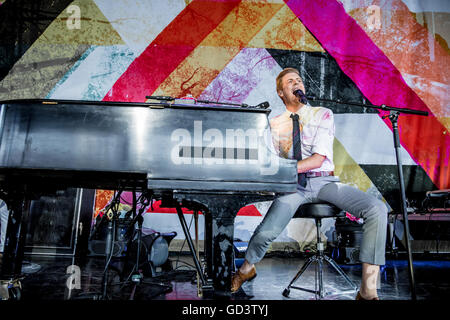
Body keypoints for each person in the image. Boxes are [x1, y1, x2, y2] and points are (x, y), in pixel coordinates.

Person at [231, 68, 388, 300]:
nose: (297, 83)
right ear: (280, 93)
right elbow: (271, 159)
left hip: (324, 181)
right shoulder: (273, 123)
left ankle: (368, 289)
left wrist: (283, 169)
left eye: (299, 80)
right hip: (294, 186)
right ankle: (246, 269)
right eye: (290, 81)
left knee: (377, 209)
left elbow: (318, 159)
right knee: (266, 232)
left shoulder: (322, 113)